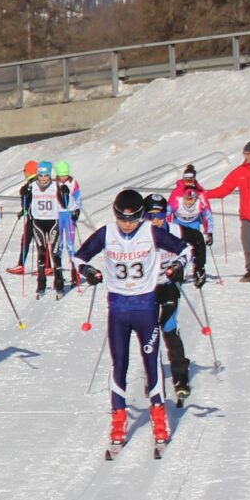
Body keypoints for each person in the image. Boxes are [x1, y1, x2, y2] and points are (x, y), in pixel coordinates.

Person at [76, 189, 190, 449]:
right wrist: (87, 269)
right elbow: (78, 255)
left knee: (152, 362)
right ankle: (118, 418)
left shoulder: (150, 232)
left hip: (145, 307)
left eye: (133, 219)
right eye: (123, 219)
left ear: (141, 216)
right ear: (115, 215)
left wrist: (177, 267)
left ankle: (159, 414)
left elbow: (185, 250)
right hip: (118, 308)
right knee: (119, 364)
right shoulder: (107, 233)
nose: (127, 225)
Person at [144, 194, 194, 404]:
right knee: (150, 333)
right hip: (147, 289)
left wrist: (187, 267)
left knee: (169, 328)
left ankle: (180, 376)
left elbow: (194, 245)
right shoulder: (140, 234)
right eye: (151, 215)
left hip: (169, 286)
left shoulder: (174, 230)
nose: (156, 220)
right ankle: (153, 376)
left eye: (161, 214)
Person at [205, 141, 250, 282]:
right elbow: (224, 189)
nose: (245, 156)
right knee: (246, 243)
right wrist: (205, 195)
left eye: (248, 153)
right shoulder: (240, 171)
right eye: (244, 153)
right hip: (246, 215)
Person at [12, 162, 72, 297]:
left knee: (55, 254)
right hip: (38, 222)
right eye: (41, 175)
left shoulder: (56, 185)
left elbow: (65, 204)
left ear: (50, 174)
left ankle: (59, 283)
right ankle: (41, 284)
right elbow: (26, 207)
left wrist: (65, 194)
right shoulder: (31, 186)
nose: (43, 178)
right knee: (40, 254)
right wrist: (24, 196)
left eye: (46, 175)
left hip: (53, 222)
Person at [167, 167, 213, 284]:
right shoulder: (177, 193)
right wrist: (168, 228)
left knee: (196, 245)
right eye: (186, 179)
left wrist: (209, 232)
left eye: (191, 179)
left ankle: (198, 269)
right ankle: (179, 269)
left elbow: (207, 214)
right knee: (179, 246)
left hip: (194, 222)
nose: (189, 181)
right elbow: (168, 211)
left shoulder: (199, 193)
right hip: (179, 222)